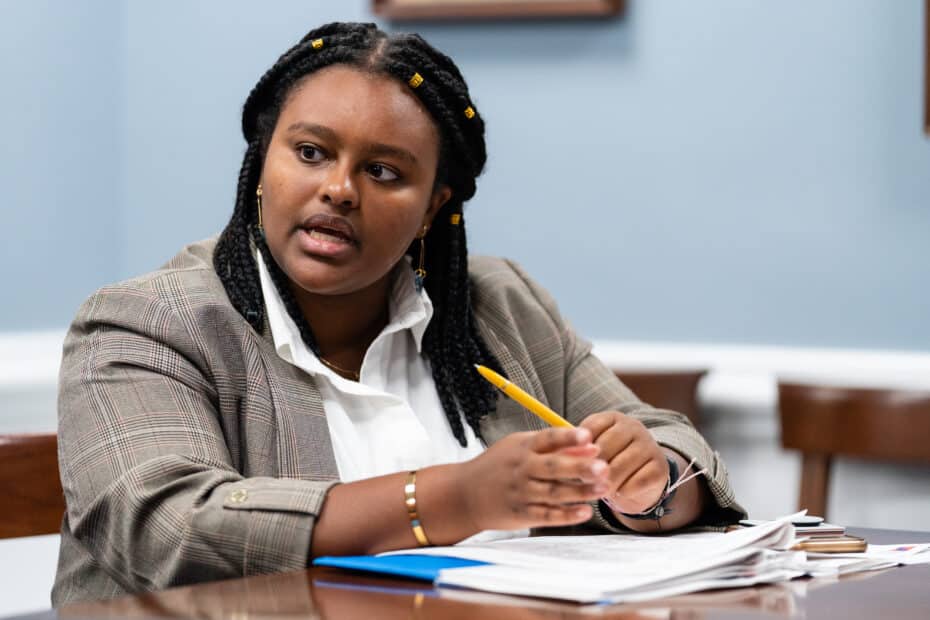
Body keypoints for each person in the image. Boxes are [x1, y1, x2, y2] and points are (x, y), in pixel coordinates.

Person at [52, 22, 745, 605]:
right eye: (311, 152)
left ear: (433, 206)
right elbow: (171, 531)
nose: (338, 189)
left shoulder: (497, 304)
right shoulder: (146, 322)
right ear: (263, 162)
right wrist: (452, 500)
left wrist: (650, 485)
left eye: (384, 172)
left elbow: (668, 450)